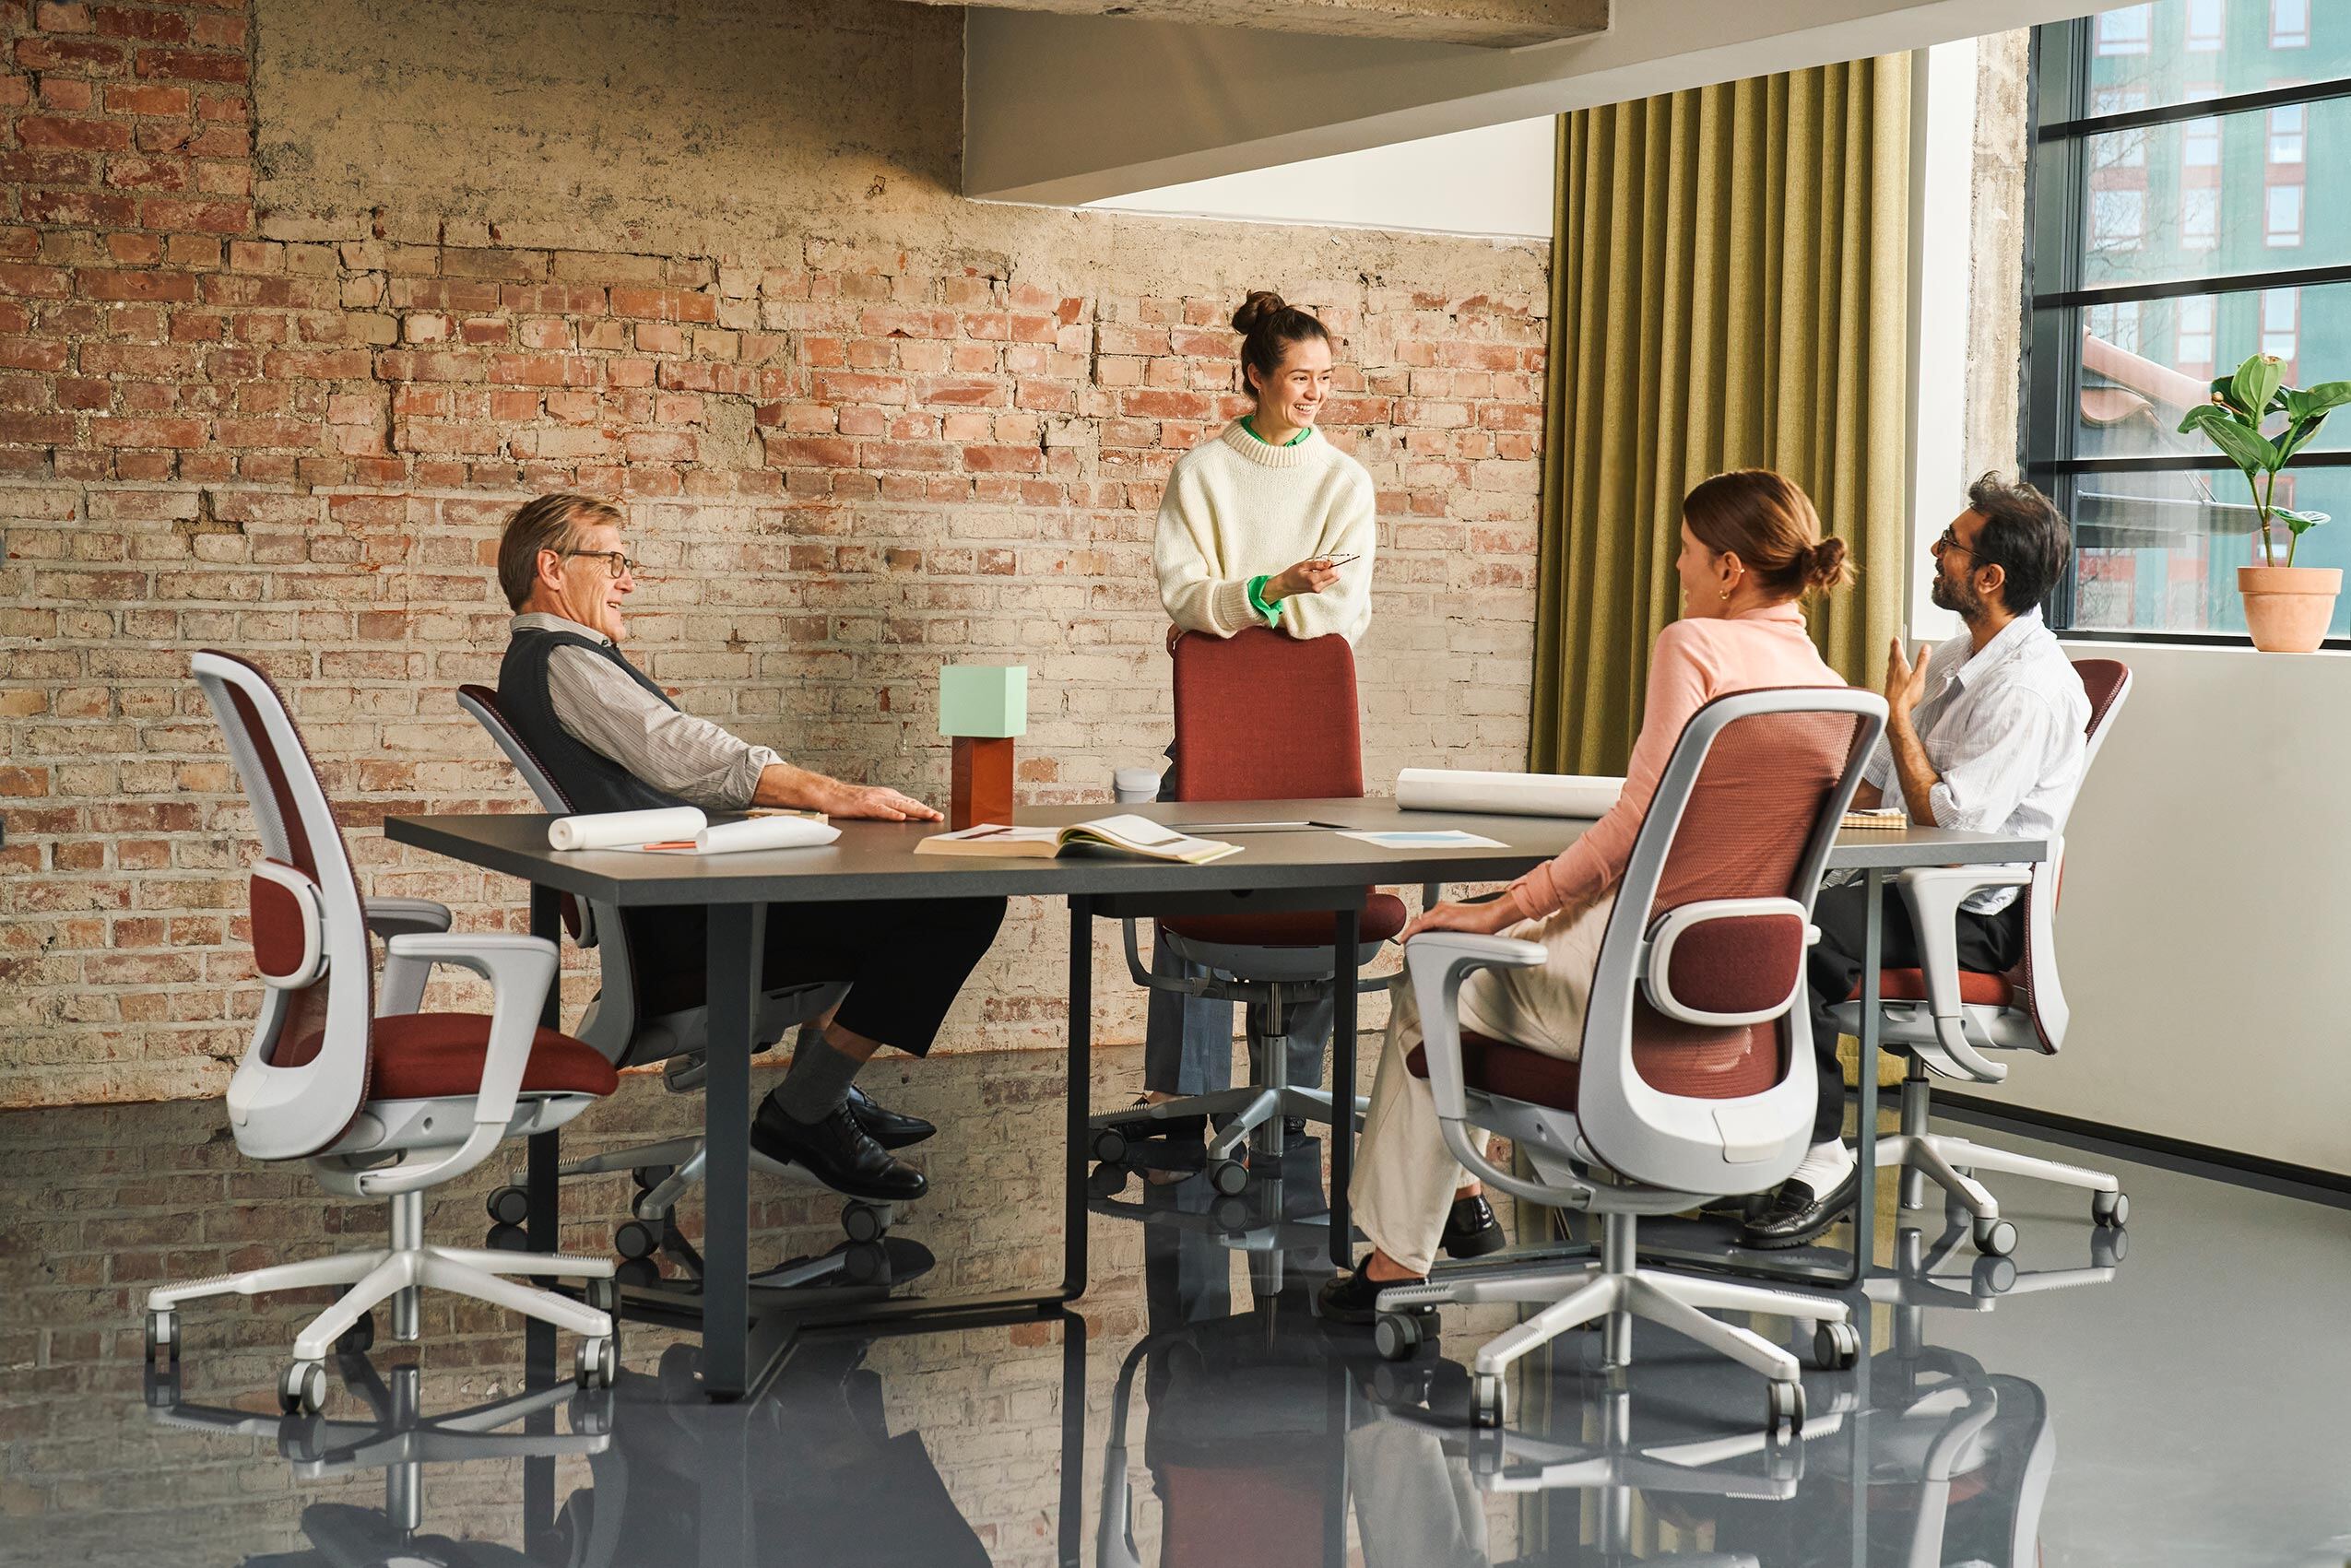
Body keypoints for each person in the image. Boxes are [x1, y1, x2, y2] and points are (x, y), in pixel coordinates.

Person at [1319, 469, 1853, 1322]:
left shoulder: (1694, 644)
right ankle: (1454, 1205)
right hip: (1733, 1013)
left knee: (1433, 962)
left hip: (1622, 995)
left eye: (1684, 553)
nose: (1675, 570)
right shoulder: (1832, 691)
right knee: (1473, 954)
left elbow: (1629, 828)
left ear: (1727, 567)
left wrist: (1497, 910)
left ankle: (1393, 1264)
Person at [491, 493, 1006, 1207]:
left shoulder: (549, 658)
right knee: (962, 900)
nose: (628, 580)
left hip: (680, 899)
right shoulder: (565, 662)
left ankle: (821, 1093)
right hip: (694, 921)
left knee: (888, 881)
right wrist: (829, 791)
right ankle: (803, 1111)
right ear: (552, 567)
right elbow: (680, 754)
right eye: (613, 560)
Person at [1741, 474, 2085, 1249]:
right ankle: (1737, 1139)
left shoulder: (2029, 690)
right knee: (1750, 900)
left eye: (1952, 545)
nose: (1938, 552)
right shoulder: (1969, 653)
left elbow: (1950, 820)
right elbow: (1888, 786)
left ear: (1991, 577)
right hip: (1907, 887)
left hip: (1966, 916)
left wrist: (1896, 718)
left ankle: (1821, 1154)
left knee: (1786, 937)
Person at [1112, 289, 1384, 1165]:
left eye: (1327, 379)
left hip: (1311, 744)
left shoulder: (1345, 482)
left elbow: (1342, 617)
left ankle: (1291, 1095)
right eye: (1299, 377)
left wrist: (1228, 613)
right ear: (1256, 376)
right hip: (1216, 738)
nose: (1315, 394)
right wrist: (1270, 592)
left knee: (1333, 889)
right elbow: (1182, 595)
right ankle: (1182, 1097)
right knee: (1182, 855)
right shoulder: (1203, 475)